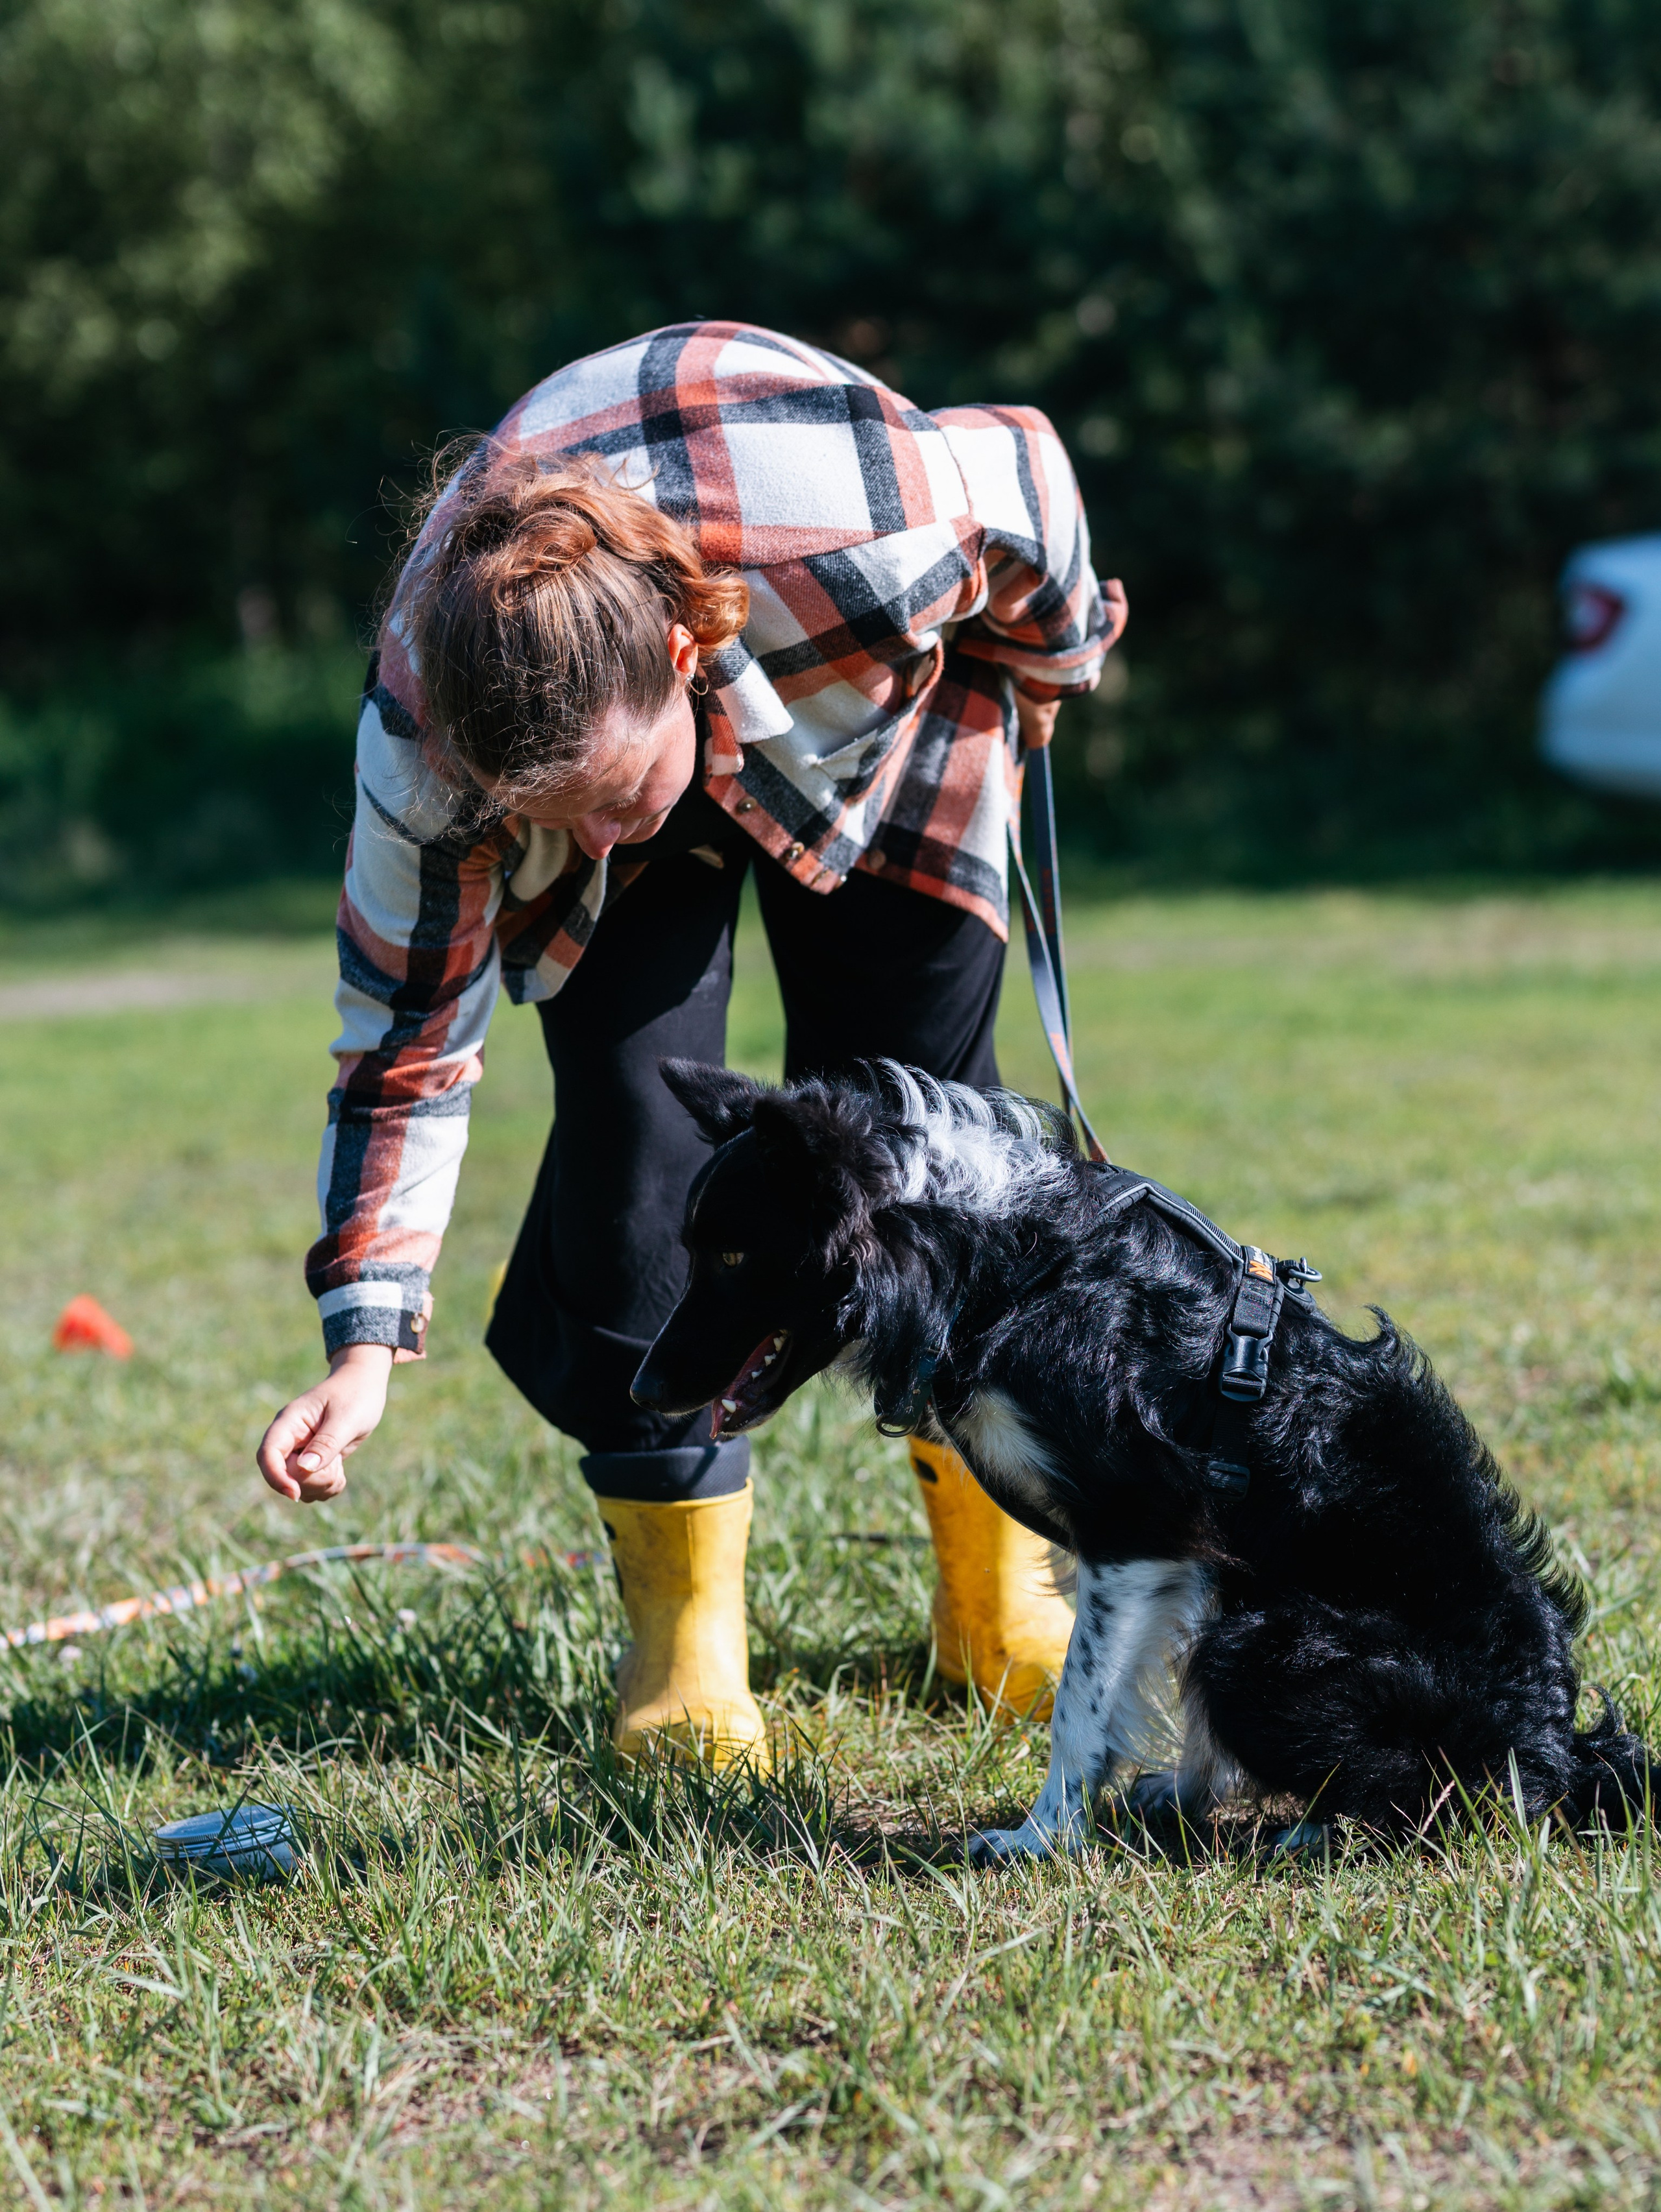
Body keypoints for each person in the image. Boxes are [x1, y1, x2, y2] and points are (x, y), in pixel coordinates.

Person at [256, 320, 1126, 1767]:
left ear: (681, 650)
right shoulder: (429, 741)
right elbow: (406, 1037)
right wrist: (364, 1335)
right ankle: (684, 1652)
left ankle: (994, 1601)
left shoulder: (875, 529)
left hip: (864, 714)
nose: (592, 841)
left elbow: (1027, 476)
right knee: (637, 1135)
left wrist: (1055, 663)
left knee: (921, 1119)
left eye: (606, 796)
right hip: (635, 705)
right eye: (550, 816)